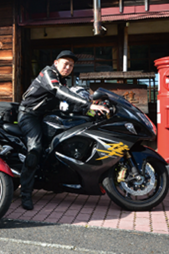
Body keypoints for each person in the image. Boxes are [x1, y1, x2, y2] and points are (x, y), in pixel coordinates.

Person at [18, 50, 109, 210]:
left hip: (47, 116)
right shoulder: (48, 73)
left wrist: (91, 111)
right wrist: (88, 104)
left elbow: (69, 103)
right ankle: (26, 194)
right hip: (29, 115)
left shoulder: (62, 80)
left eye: (71, 65)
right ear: (56, 62)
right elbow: (58, 91)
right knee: (35, 149)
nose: (68, 67)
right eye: (65, 63)